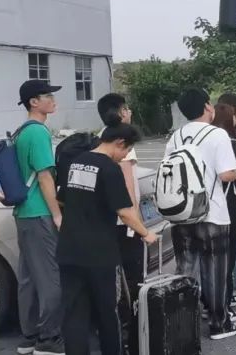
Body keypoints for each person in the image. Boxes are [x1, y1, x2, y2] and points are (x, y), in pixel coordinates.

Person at [57, 124, 158, 355]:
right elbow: (125, 212)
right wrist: (146, 233)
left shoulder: (77, 161)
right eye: (126, 151)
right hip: (99, 253)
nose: (124, 157)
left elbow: (62, 199)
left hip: (69, 250)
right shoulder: (110, 169)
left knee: (74, 314)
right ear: (119, 143)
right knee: (107, 313)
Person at [164, 89, 236, 340]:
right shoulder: (217, 134)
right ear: (207, 106)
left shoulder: (176, 136)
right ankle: (218, 324)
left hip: (182, 213)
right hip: (212, 213)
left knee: (186, 270)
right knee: (215, 271)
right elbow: (225, 174)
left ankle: (183, 324)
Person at [13, 79, 65, 355]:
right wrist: (57, 214)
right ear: (34, 102)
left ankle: (29, 336)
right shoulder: (38, 132)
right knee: (50, 277)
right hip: (40, 211)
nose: (53, 100)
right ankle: (49, 339)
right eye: (48, 96)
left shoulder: (21, 132)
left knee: (29, 277)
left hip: (23, 212)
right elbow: (45, 177)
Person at [96, 93, 143, 300]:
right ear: (122, 112)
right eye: (127, 109)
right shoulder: (122, 139)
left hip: (107, 220)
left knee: (115, 274)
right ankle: (133, 315)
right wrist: (136, 221)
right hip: (124, 222)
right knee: (132, 274)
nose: (130, 112)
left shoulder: (101, 136)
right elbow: (127, 184)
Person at [210, 103, 236, 315]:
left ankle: (210, 302)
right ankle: (224, 305)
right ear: (230, 118)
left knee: (209, 258)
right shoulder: (232, 143)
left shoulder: (205, 141)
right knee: (227, 257)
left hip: (206, 207)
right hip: (228, 207)